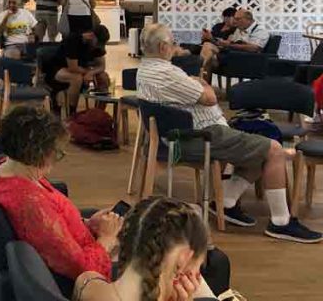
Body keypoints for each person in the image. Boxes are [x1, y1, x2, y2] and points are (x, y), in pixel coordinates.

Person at [137, 23, 321, 243]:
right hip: (199, 137)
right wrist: (202, 84)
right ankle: (281, 222)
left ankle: (226, 201)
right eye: (173, 43)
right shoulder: (165, 73)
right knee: (274, 150)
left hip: (185, 136)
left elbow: (197, 88)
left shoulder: (146, 69)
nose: (175, 46)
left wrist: (198, 83)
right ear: (163, 46)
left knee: (259, 149)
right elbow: (210, 97)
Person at [0, 105, 121, 281]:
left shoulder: (6, 168)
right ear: (38, 154)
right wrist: (106, 239)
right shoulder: (31, 204)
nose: (55, 160)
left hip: (80, 244)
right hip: (80, 279)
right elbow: (81, 268)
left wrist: (88, 224)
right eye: (55, 154)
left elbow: (51, 233)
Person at [75, 197, 218, 301]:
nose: (197, 279)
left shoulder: (86, 284)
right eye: (198, 269)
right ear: (183, 257)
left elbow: (86, 279)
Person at [42, 24, 110, 114]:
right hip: (57, 68)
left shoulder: (96, 45)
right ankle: (72, 112)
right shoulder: (73, 40)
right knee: (76, 78)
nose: (97, 47)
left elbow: (102, 66)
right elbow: (73, 68)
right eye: (97, 43)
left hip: (80, 69)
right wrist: (89, 72)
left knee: (103, 77)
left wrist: (91, 73)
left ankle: (99, 112)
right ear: (91, 36)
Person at [199, 9, 268, 80]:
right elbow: (231, 42)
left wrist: (229, 45)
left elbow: (254, 48)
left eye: (237, 19)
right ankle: (204, 82)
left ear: (248, 19)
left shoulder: (260, 30)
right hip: (231, 54)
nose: (235, 22)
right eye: (235, 19)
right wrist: (217, 41)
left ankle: (202, 82)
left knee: (208, 58)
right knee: (207, 46)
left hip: (244, 59)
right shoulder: (239, 29)